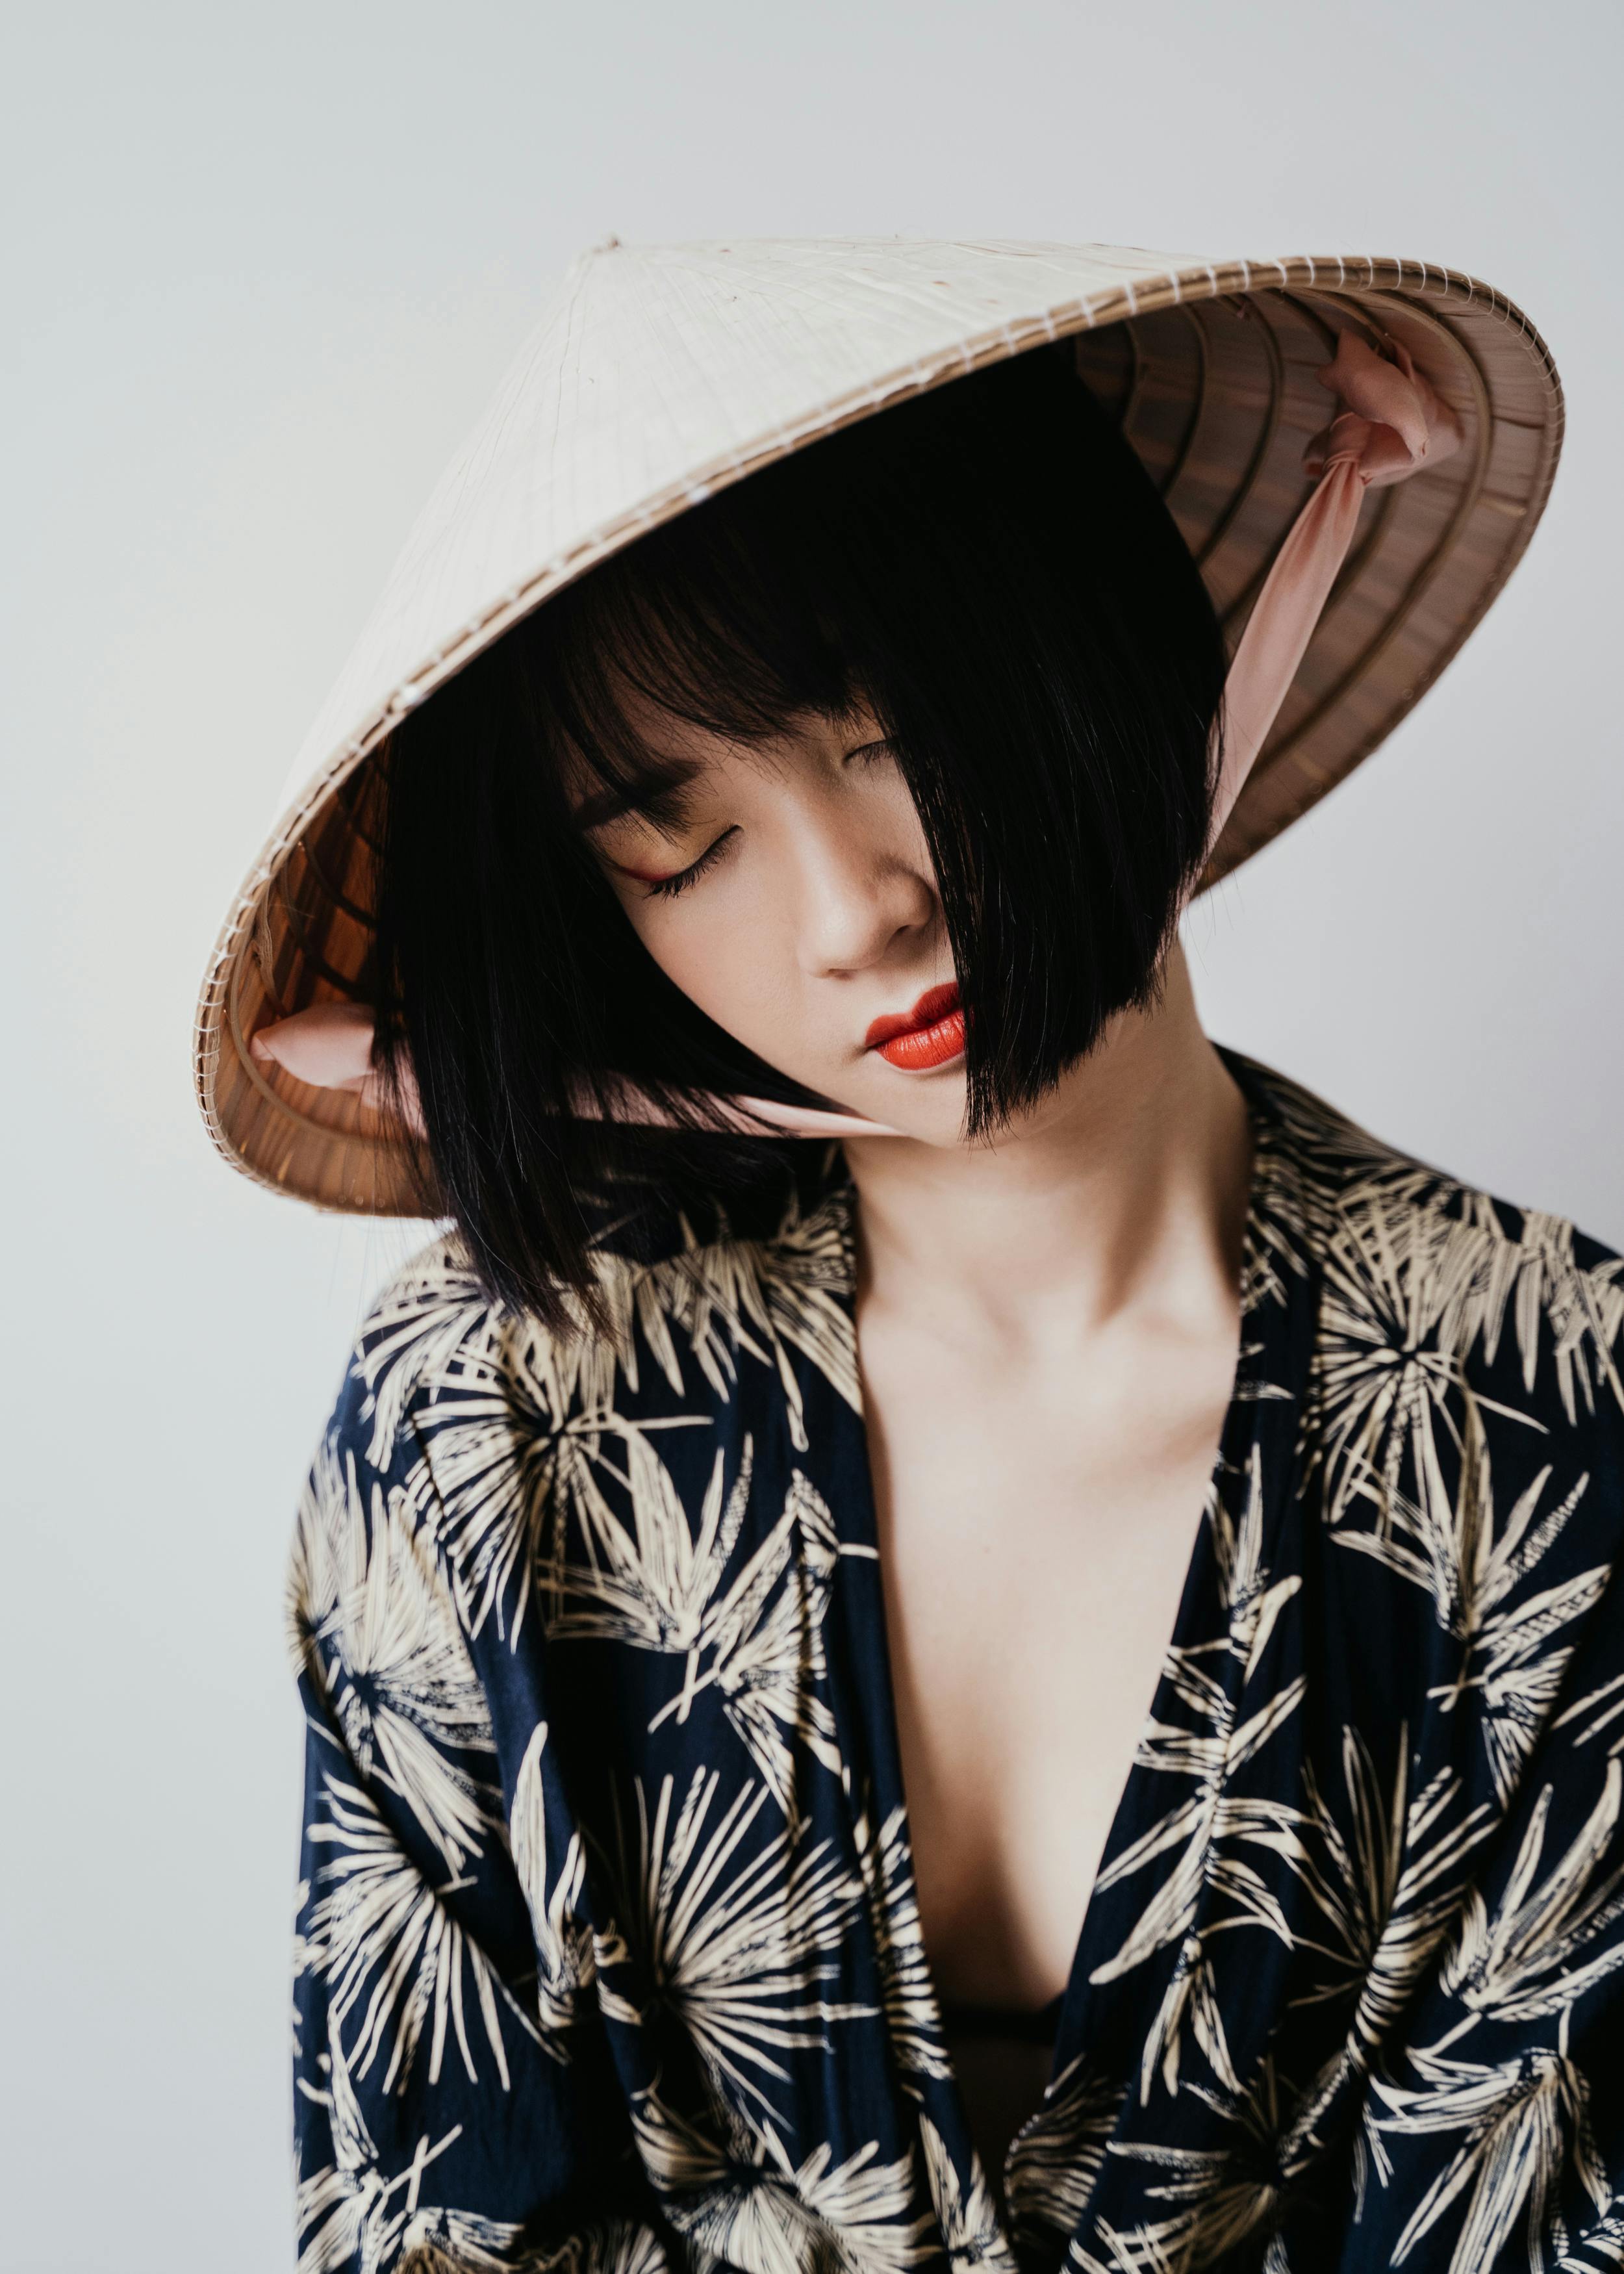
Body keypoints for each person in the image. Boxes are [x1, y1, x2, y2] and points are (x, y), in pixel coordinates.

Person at [199, 240, 1623, 2270]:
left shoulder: (1551, 1405)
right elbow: (423, 2209)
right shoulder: (485, 1424)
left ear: (1086, 627)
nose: (850, 913)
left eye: (880, 728)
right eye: (678, 842)